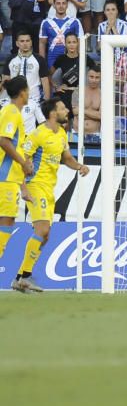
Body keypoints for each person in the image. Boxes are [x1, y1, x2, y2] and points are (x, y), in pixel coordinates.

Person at [9, 97, 88, 292]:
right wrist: (24, 189)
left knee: (45, 236)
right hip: (35, 185)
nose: (67, 111)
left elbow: (66, 158)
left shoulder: (61, 133)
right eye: (63, 108)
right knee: (42, 231)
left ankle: (19, 278)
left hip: (49, 188)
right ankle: (24, 277)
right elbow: (22, 161)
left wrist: (79, 166)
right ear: (53, 113)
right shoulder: (37, 134)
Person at [0, 77, 35, 282]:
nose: (29, 93)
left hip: (10, 178)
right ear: (23, 92)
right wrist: (23, 162)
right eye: (28, 90)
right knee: (6, 220)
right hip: (4, 178)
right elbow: (3, 140)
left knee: (8, 220)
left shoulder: (14, 113)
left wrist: (23, 186)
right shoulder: (11, 112)